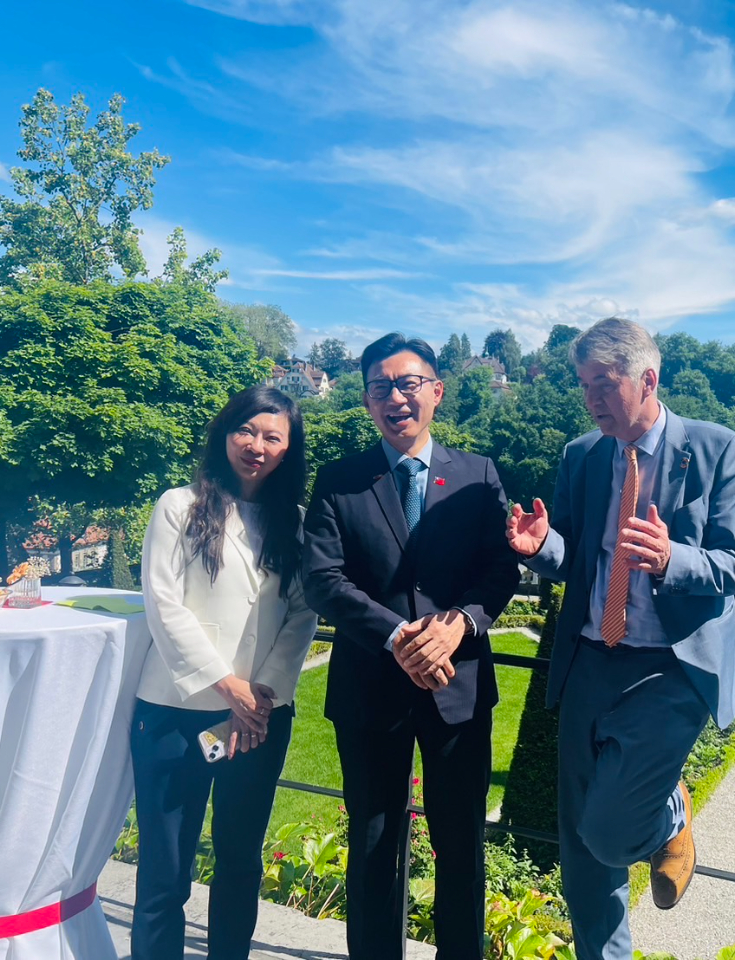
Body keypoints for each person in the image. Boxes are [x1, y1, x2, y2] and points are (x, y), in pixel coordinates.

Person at [505, 317, 735, 960]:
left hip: (669, 670)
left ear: (648, 379)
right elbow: (578, 556)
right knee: (580, 851)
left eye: (602, 384)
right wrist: (541, 548)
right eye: (583, 385)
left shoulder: (717, 448)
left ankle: (671, 814)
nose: (590, 399)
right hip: (592, 657)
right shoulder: (582, 455)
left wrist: (674, 559)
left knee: (612, 832)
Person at [302, 333, 520, 960]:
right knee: (373, 843)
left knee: (460, 846)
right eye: (380, 387)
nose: (395, 397)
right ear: (367, 398)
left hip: (459, 687)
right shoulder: (341, 479)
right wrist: (398, 636)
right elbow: (322, 578)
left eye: (408, 384)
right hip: (371, 689)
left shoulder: (478, 475)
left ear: (436, 392)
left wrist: (459, 624)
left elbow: (499, 571)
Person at [132, 385, 319, 959]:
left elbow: (303, 614)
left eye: (272, 437)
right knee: (166, 867)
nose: (256, 446)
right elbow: (164, 605)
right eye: (246, 430)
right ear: (224, 433)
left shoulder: (300, 524)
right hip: (176, 713)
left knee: (240, 860)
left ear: (289, 449)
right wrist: (227, 686)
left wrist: (259, 698)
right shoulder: (179, 506)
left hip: (258, 721)